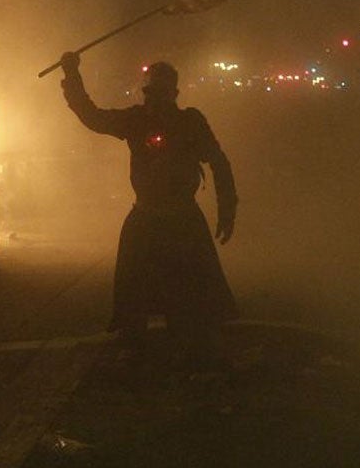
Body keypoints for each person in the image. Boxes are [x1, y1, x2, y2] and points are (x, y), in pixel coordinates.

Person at [59, 52, 238, 370]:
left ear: (174, 94)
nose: (155, 99)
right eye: (151, 93)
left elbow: (218, 162)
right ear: (146, 94)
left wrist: (228, 207)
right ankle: (136, 352)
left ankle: (193, 356)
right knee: (133, 294)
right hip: (146, 216)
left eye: (161, 93)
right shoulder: (135, 120)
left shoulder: (191, 122)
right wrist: (72, 76)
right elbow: (92, 116)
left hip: (183, 219)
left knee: (191, 294)